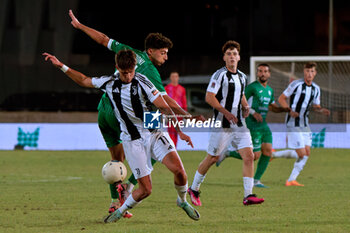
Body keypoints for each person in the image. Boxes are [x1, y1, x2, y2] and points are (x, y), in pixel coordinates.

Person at [68, 10, 204, 214]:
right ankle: (129, 189)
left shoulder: (130, 52)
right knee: (155, 141)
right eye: (163, 52)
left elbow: (104, 40)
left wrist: (80, 26)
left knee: (119, 158)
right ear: (151, 51)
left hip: (105, 106)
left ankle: (116, 200)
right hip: (126, 111)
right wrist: (185, 117)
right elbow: (164, 101)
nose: (166, 57)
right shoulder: (150, 71)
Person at [42, 49, 200, 222]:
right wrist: (61, 66)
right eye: (124, 73)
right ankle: (119, 211)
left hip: (154, 132)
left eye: (131, 72)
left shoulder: (143, 81)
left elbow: (163, 106)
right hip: (132, 141)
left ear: (134, 68)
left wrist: (180, 132)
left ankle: (182, 201)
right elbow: (84, 80)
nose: (128, 76)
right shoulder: (109, 83)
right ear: (117, 68)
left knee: (180, 172)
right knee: (146, 190)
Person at [187, 40, 265, 206]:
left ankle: (248, 195)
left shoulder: (243, 77)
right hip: (222, 123)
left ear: (239, 57)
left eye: (234, 54)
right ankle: (193, 188)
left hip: (239, 124)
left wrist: (245, 106)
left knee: (249, 156)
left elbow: (241, 94)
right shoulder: (219, 75)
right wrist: (226, 113)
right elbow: (209, 97)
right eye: (229, 54)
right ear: (224, 57)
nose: (232, 56)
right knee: (212, 158)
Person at [216, 64, 290, 188]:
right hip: (251, 124)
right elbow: (239, 100)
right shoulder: (252, 88)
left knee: (267, 151)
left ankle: (256, 180)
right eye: (260, 71)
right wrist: (253, 112)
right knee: (255, 156)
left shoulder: (270, 90)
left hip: (263, 125)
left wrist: (285, 109)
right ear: (257, 73)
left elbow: (272, 107)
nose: (262, 73)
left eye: (265, 71)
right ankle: (228, 153)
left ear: (269, 74)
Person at [278, 62, 330, 186]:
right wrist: (290, 111)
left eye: (312, 71)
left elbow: (316, 106)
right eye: (307, 71)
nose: (309, 74)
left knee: (306, 153)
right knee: (301, 153)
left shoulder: (316, 89)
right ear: (304, 72)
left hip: (304, 123)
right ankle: (273, 154)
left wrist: (321, 110)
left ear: (315, 73)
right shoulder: (296, 84)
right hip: (292, 122)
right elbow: (281, 99)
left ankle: (291, 180)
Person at [165, 72, 187, 147]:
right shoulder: (167, 88)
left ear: (178, 78)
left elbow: (184, 102)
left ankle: (174, 149)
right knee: (170, 132)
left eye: (176, 76)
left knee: (177, 133)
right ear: (170, 78)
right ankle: (172, 149)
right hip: (170, 113)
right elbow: (164, 101)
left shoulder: (182, 89)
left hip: (179, 115)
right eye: (173, 76)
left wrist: (185, 114)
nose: (174, 78)